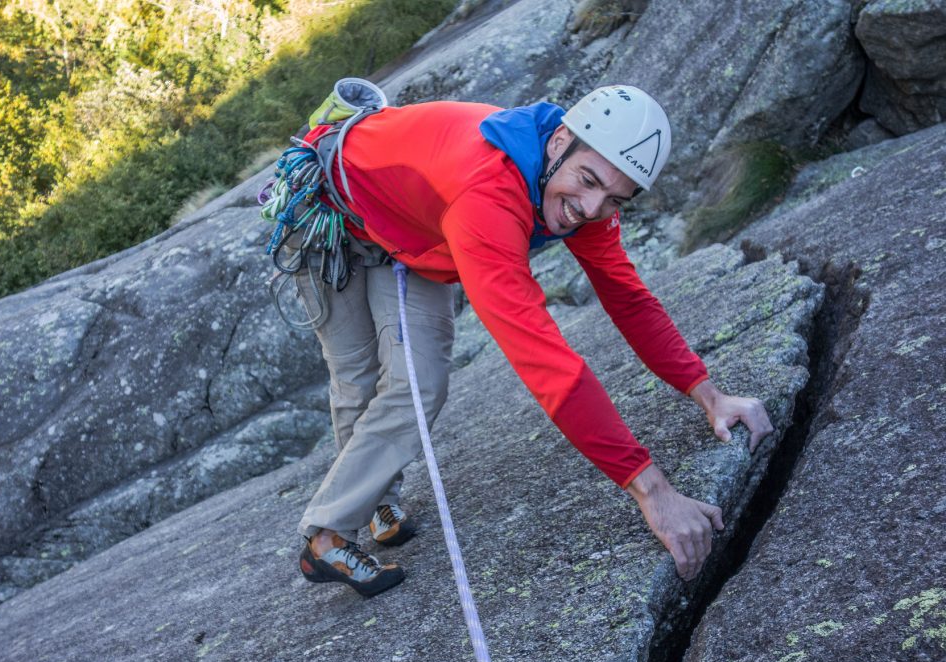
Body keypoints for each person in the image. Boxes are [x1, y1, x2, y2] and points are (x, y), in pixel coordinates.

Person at [292, 85, 774, 597]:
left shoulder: (582, 185)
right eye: (588, 182)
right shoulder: (486, 192)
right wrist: (653, 492)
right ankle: (330, 536)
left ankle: (368, 501)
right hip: (330, 213)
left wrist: (709, 395)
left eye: (614, 198)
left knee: (419, 381)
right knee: (358, 376)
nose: (589, 208)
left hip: (417, 229)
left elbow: (628, 299)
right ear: (559, 140)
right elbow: (544, 362)